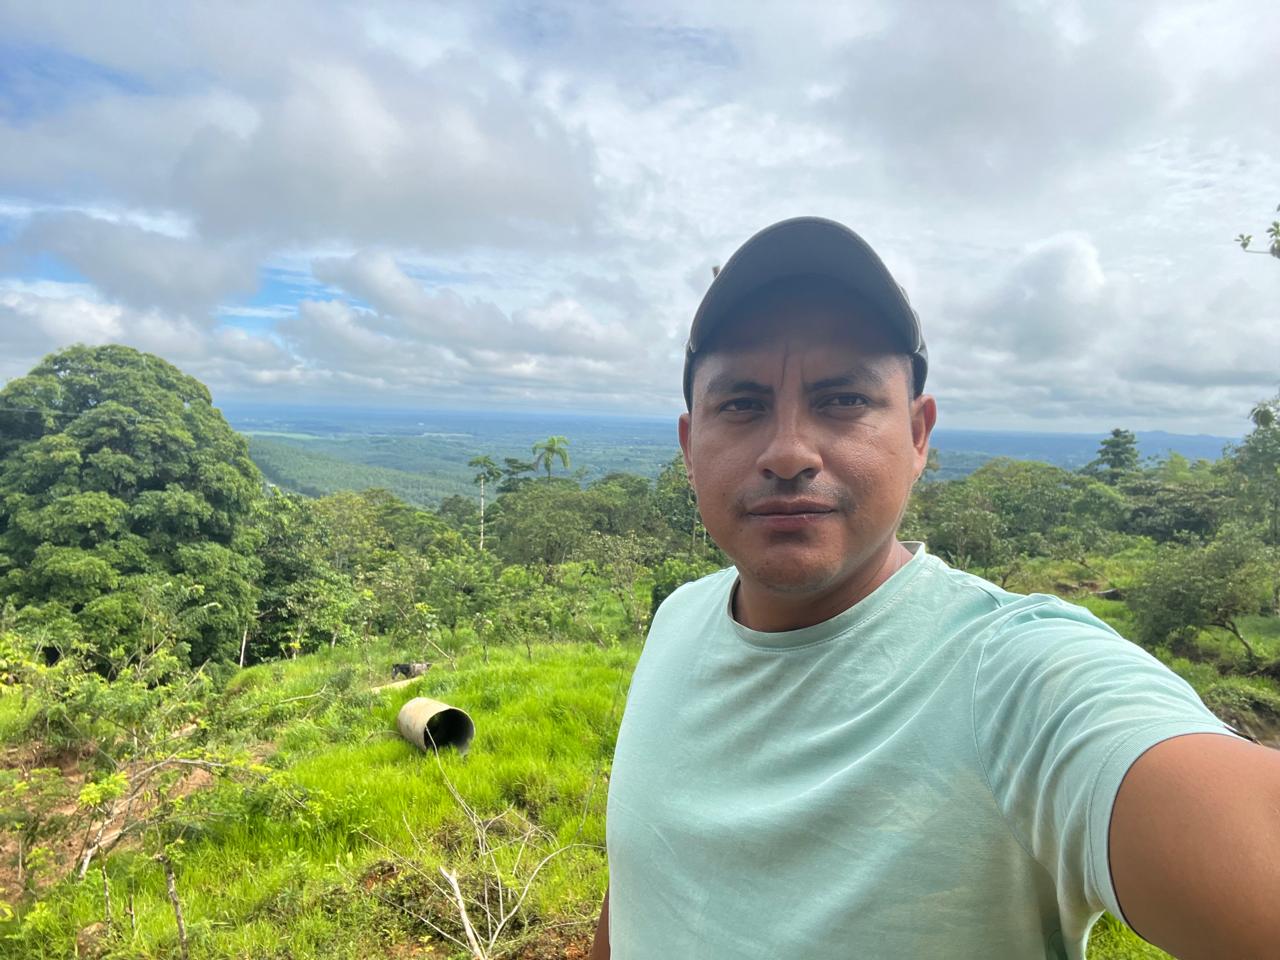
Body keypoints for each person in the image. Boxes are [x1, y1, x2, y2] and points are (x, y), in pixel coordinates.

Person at [588, 217, 1280, 960]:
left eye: (843, 399)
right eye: (742, 405)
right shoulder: (680, 616)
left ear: (919, 436)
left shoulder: (1017, 679)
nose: (788, 452)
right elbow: (644, 885)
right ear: (691, 448)